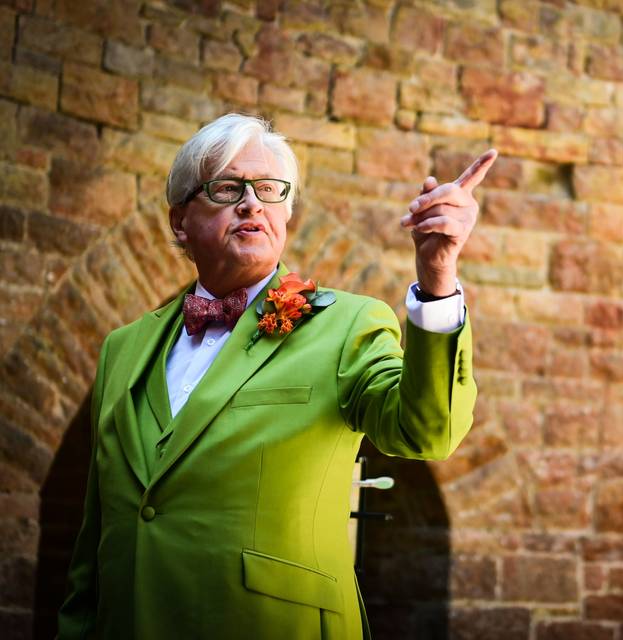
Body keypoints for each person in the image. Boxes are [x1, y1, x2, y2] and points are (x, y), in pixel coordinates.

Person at [57, 113, 496, 639]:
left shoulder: (346, 325)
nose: (251, 203)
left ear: (285, 213)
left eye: (268, 189)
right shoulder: (122, 349)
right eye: (226, 187)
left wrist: (438, 279)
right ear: (180, 222)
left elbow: (429, 430)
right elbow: (96, 538)